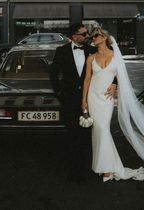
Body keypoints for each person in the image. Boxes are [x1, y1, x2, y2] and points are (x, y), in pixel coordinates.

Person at [82, 26, 144, 183]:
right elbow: (87, 80)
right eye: (92, 37)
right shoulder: (91, 58)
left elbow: (121, 76)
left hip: (106, 100)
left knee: (103, 130)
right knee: (99, 131)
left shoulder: (115, 56)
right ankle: (106, 168)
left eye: (96, 36)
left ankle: (107, 168)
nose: (93, 38)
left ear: (104, 38)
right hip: (93, 98)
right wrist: (84, 100)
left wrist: (115, 84)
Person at [49, 23, 117, 181]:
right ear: (74, 36)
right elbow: (53, 73)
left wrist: (115, 83)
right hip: (69, 101)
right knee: (73, 135)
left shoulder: (92, 50)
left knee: (89, 135)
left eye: (88, 33)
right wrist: (59, 93)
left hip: (91, 99)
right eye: (84, 34)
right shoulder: (62, 51)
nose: (88, 36)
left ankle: (91, 168)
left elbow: (112, 66)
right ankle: (74, 171)